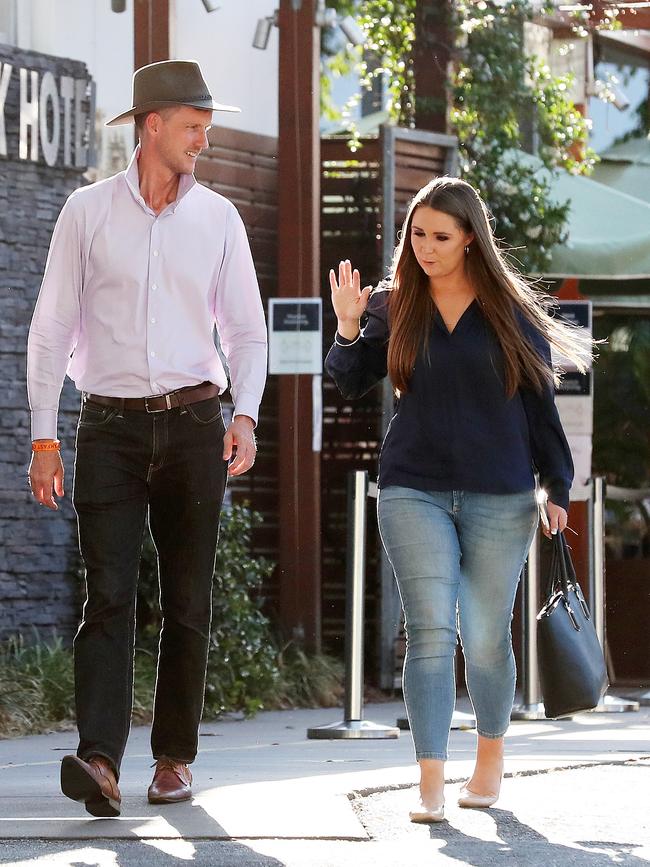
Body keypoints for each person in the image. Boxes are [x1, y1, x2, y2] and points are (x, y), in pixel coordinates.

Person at [26, 60, 267, 817]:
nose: (203, 137)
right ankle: (99, 758)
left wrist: (247, 413)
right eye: (193, 125)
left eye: (207, 125)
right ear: (151, 124)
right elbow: (50, 327)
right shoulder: (86, 212)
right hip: (110, 425)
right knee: (110, 596)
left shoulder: (219, 218)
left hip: (198, 423)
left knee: (188, 599)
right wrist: (42, 436)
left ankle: (173, 757)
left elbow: (247, 331)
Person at [325, 176, 590, 823]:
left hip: (500, 495)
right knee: (431, 632)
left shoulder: (508, 312)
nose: (426, 247)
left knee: (485, 637)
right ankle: (429, 778)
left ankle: (490, 756)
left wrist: (556, 485)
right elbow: (348, 381)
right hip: (411, 486)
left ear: (470, 237)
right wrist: (350, 327)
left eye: (440, 236)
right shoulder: (394, 306)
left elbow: (538, 407)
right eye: (417, 234)